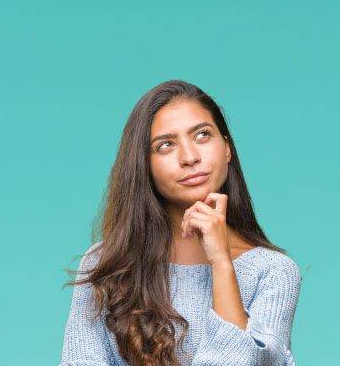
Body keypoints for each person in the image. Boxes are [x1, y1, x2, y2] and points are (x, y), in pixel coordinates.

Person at [58, 80, 302, 366]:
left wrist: (221, 263)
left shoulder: (272, 273)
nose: (189, 157)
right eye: (165, 145)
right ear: (144, 165)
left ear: (226, 147)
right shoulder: (106, 263)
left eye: (202, 135)